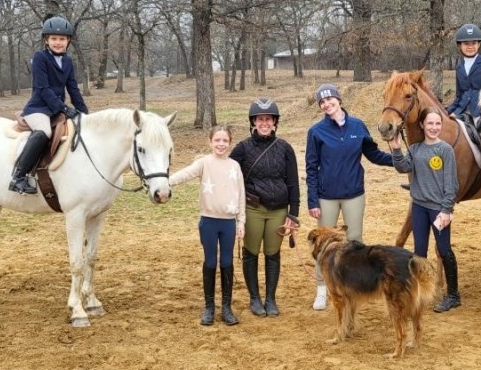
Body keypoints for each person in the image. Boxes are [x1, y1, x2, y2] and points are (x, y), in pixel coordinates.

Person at [306, 83, 394, 310]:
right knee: (323, 245)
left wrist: (398, 159)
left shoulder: (357, 126)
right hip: (326, 196)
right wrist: (313, 200)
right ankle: (322, 290)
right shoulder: (316, 132)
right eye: (322, 102)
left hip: (354, 193)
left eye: (330, 99)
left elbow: (373, 154)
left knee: (354, 242)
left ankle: (352, 286)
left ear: (338, 99)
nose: (327, 104)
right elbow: (311, 167)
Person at [169, 125, 246, 327]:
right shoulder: (204, 163)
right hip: (209, 222)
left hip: (229, 223)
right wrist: (165, 182)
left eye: (225, 141)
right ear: (210, 142)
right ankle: (209, 307)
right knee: (210, 262)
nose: (221, 144)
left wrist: (241, 222)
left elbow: (241, 197)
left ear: (230, 143)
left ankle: (227, 307)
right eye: (217, 140)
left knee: (227, 262)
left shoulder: (234, 166)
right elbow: (185, 174)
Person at [230, 99, 300, 318]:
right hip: (253, 208)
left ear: (274, 122)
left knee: (272, 253)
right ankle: (254, 298)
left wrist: (293, 214)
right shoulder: (242, 148)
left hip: (279, 209)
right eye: (260, 119)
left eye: (268, 119)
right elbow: (228, 172)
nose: (264, 123)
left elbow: (293, 183)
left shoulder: (285, 148)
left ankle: (270, 298)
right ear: (253, 121)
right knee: (251, 252)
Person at [388, 108, 460, 312]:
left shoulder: (445, 150)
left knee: (444, 250)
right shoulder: (416, 148)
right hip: (419, 206)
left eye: (438, 124)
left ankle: (453, 294)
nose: (434, 127)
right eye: (430, 123)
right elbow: (403, 167)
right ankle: (419, 290)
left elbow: (451, 184)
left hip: (438, 209)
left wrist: (446, 209)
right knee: (419, 251)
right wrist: (396, 149)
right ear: (422, 125)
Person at [10, 15, 89, 194]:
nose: (58, 42)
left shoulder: (68, 61)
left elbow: (73, 89)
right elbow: (42, 88)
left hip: (55, 109)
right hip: (38, 108)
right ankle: (19, 177)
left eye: (62, 39)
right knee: (44, 131)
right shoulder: (40, 57)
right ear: (47, 40)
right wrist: (64, 108)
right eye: (54, 39)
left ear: (68, 41)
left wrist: (85, 114)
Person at [446, 23, 481, 127]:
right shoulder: (459, 67)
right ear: (460, 45)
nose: (470, 47)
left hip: (480, 112)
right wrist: (448, 111)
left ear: (479, 44)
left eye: (473, 43)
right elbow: (460, 95)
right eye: (466, 44)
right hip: (461, 111)